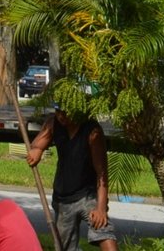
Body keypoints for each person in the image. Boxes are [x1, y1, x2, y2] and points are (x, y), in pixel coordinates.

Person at [26, 108, 120, 251]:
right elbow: (37, 145)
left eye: (65, 112)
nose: (61, 116)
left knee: (103, 230)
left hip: (87, 195)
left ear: (77, 109)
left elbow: (101, 172)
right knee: (64, 247)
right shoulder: (53, 123)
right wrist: (36, 150)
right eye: (58, 112)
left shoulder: (92, 132)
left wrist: (101, 208)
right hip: (63, 198)